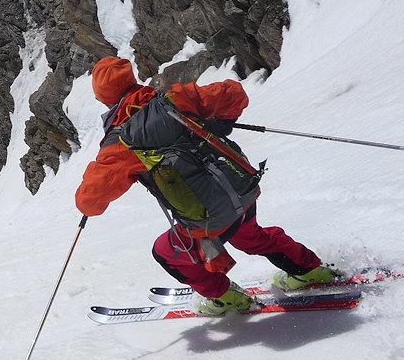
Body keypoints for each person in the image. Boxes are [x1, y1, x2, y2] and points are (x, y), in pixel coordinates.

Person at [75, 55, 339, 315]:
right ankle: (310, 270)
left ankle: (226, 298)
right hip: (240, 189)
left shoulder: (120, 143)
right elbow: (234, 93)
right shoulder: (174, 99)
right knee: (251, 236)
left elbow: (89, 201)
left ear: (104, 98)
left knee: (165, 252)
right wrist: (220, 124)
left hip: (208, 219)